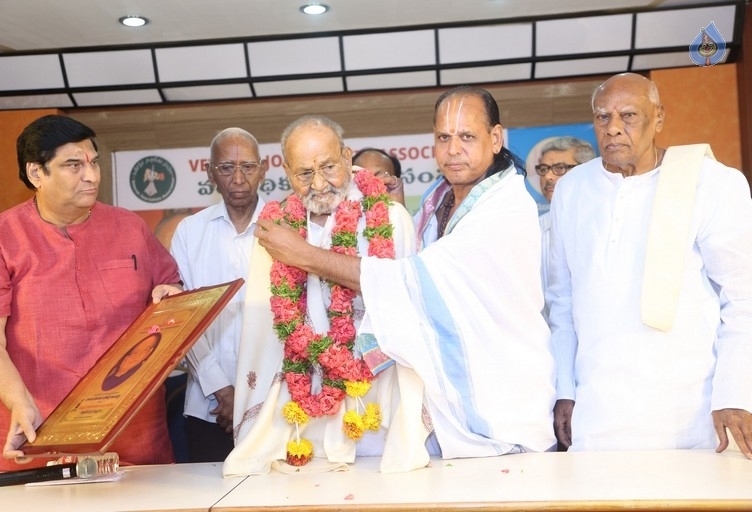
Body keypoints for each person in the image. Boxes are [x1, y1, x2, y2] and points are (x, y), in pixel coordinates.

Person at [250, 86, 556, 467]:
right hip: (448, 412)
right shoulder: (440, 196)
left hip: (502, 407)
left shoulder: (506, 208)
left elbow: (411, 281)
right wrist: (346, 182)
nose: (453, 148)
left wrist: (304, 255)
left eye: (467, 136)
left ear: (495, 138)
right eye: (443, 137)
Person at [547, 72, 752, 458]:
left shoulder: (712, 183)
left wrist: (735, 392)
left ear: (658, 118)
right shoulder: (572, 189)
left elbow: (744, 298)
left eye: (629, 115)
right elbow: (561, 300)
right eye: (602, 117)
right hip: (597, 417)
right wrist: (565, 390)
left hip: (690, 417)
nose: (613, 129)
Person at [0, 114, 183, 472]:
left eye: (93, 162)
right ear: (36, 174)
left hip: (131, 434)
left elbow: (172, 289)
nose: (91, 176)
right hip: (36, 431)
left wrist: (172, 294)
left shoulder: (129, 226)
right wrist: (20, 401)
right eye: (73, 165)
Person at [223, 115, 416, 476]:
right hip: (299, 420)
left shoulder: (390, 218)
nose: (319, 184)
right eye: (304, 173)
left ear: (347, 157)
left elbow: (399, 304)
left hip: (372, 409)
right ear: (285, 171)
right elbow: (262, 328)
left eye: (328, 166)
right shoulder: (274, 231)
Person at [169, 127, 268, 462]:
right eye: (226, 168)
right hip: (208, 408)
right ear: (210, 172)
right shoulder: (190, 232)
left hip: (276, 405)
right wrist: (222, 391)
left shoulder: (286, 227)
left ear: (263, 169)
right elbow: (185, 316)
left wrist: (255, 395)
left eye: (248, 168)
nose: (238, 179)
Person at [534, 137, 595, 320]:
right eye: (543, 169)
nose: (548, 177)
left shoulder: (602, 223)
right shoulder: (532, 230)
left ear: (586, 172)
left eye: (560, 168)